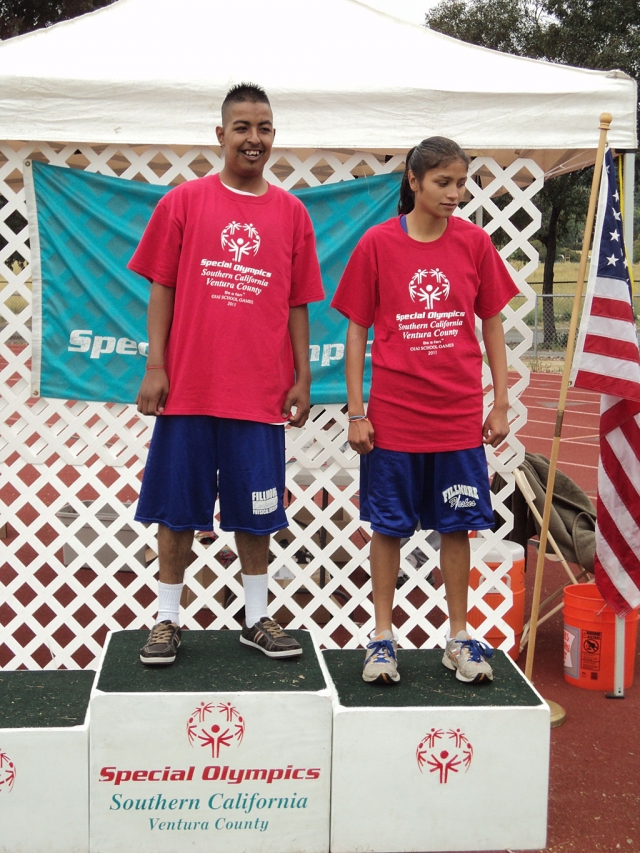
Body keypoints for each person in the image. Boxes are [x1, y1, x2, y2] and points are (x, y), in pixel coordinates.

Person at [129, 83, 324, 665]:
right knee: (175, 508)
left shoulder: (292, 213)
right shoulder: (183, 203)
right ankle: (166, 621)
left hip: (259, 393)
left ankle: (257, 617)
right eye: (242, 127)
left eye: (264, 128)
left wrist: (303, 376)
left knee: (257, 511)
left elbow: (298, 304)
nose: (254, 138)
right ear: (220, 135)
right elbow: (161, 287)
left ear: (273, 136)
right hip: (188, 389)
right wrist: (155, 366)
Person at [331, 137, 519, 685]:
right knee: (388, 529)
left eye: (462, 183)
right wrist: (356, 410)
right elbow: (356, 331)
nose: (455, 194)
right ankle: (382, 638)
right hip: (393, 419)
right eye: (444, 182)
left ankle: (458, 637)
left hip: (458, 417)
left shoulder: (476, 244)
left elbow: (491, 326)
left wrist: (500, 401)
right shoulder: (376, 245)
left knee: (457, 528)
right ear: (413, 181)